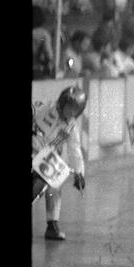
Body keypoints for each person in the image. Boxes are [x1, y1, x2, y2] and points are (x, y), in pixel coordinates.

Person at [32, 85, 87, 240]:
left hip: (46, 157)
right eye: (69, 107)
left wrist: (80, 173)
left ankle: (52, 224)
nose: (70, 112)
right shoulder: (46, 107)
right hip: (34, 147)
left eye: (75, 110)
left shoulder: (72, 127)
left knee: (55, 183)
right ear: (62, 102)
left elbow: (75, 150)